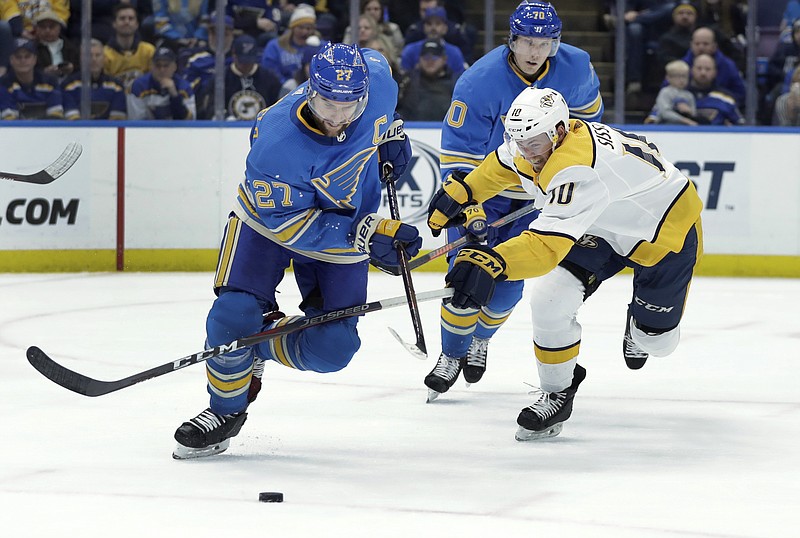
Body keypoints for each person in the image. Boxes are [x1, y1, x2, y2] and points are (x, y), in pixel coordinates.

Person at [172, 42, 419, 459]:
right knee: (232, 316)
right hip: (269, 223)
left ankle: (257, 343)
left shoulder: (376, 81)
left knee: (333, 350)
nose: (337, 118)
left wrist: (391, 133)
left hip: (347, 218)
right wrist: (365, 235)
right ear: (310, 90)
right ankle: (225, 411)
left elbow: (376, 69)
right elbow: (290, 226)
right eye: (328, 104)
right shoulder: (275, 144)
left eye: (350, 106)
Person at [427, 87, 703, 440]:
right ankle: (558, 392)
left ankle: (641, 325)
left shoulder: (576, 166)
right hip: (600, 224)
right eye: (520, 140)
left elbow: (545, 247)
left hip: (661, 232)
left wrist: (492, 261)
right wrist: (466, 192)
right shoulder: (535, 141)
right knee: (549, 298)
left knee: (656, 344)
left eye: (535, 142)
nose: (527, 151)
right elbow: (502, 165)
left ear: (559, 130)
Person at [425, 1, 603, 402]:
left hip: (536, 193)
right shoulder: (479, 82)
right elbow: (457, 160)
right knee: (466, 279)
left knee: (507, 284)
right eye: (526, 41)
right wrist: (470, 208)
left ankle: (479, 340)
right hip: (488, 187)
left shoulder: (576, 67)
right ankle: (450, 353)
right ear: (512, 40)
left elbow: (589, 126)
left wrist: (566, 179)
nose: (534, 52)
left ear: (556, 44)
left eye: (544, 43)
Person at [218, 34, 281, 121]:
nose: (246, 65)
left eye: (249, 61)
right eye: (242, 62)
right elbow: (211, 109)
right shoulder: (222, 78)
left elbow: (278, 108)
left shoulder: (270, 78)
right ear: (234, 55)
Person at [61, 38, 126, 120]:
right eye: (89, 55)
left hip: (107, 132)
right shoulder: (69, 86)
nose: (94, 59)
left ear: (104, 58)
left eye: (98, 55)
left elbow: (117, 120)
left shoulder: (116, 86)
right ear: (81, 58)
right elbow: (73, 121)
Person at [679, 25, 745, 106]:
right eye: (697, 44)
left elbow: (739, 94)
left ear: (714, 46)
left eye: (705, 44)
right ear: (691, 45)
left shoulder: (727, 65)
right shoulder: (680, 66)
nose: (701, 47)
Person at [0, 36, 62, 119]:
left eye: (27, 56)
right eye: (18, 57)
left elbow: (56, 116)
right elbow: (10, 121)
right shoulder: (3, 84)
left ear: (35, 59)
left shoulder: (50, 82)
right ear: (11, 60)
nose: (23, 60)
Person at [127, 46, 196, 120]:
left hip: (177, 130)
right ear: (151, 66)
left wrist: (175, 95)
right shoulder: (139, 86)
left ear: (174, 67)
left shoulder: (185, 88)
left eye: (166, 66)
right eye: (158, 65)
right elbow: (136, 123)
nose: (162, 70)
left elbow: (190, 121)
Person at [260, 3, 320, 83]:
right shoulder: (275, 46)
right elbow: (269, 72)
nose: (305, 31)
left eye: (309, 28)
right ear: (292, 28)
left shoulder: (321, 47)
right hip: (283, 89)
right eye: (300, 27)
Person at [397, 38, 456, 121]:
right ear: (419, 59)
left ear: (444, 59)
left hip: (445, 129)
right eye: (426, 57)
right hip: (412, 129)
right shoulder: (407, 80)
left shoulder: (456, 82)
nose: (430, 61)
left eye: (435, 57)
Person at [400, 7, 465, 76]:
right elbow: (405, 77)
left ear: (445, 28)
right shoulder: (410, 50)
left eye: (438, 23)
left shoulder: (455, 52)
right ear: (423, 27)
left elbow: (459, 79)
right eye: (429, 24)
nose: (433, 28)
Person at [104, 4, 156, 89]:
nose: (127, 22)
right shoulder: (104, 54)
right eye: (122, 18)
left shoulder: (149, 50)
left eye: (131, 18)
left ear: (137, 24)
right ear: (114, 24)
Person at [32, 9, 78, 82]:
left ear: (59, 28)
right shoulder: (32, 48)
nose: (47, 30)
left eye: (52, 26)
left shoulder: (71, 47)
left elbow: (81, 69)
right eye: (43, 27)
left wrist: (72, 68)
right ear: (36, 29)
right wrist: (44, 72)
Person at [649, 59, 697, 124]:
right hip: (663, 127)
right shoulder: (665, 92)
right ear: (668, 78)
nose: (682, 80)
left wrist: (689, 111)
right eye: (677, 76)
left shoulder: (689, 95)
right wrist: (684, 120)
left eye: (684, 76)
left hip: (684, 129)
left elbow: (694, 114)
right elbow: (664, 112)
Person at [656, 2, 697, 69]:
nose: (685, 16)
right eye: (681, 13)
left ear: (695, 17)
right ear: (674, 17)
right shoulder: (666, 39)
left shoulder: (700, 37)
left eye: (689, 13)